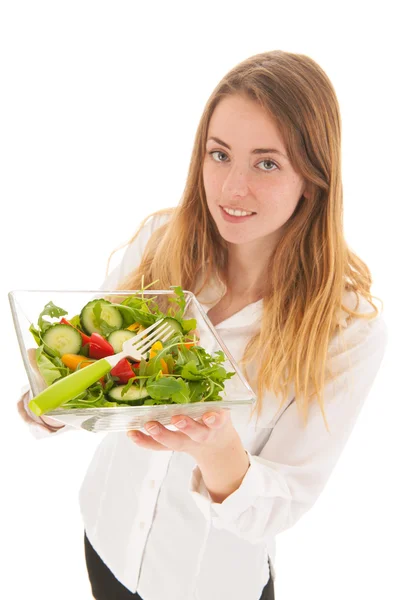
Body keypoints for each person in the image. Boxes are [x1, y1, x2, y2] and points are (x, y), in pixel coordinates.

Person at [17, 49, 388, 600]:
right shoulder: (162, 245)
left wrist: (219, 454)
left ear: (313, 178)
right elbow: (101, 375)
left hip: (208, 585)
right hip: (106, 540)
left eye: (267, 163)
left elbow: (284, 500)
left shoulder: (347, 329)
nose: (232, 189)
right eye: (220, 155)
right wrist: (50, 406)